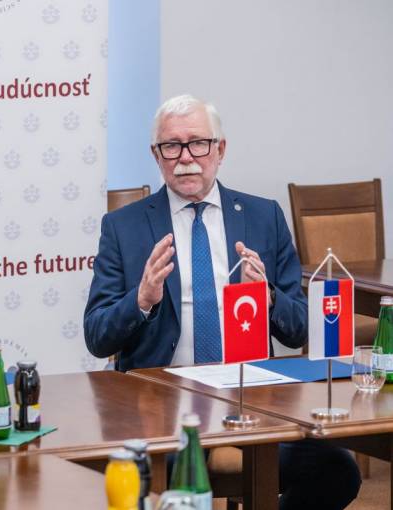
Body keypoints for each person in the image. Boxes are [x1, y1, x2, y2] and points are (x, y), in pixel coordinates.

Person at [84, 95, 360, 509]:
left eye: (198, 143)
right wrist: (140, 299)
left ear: (220, 149)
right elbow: (97, 336)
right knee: (143, 479)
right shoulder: (123, 226)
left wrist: (268, 297)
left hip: (251, 401)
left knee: (338, 471)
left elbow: (300, 328)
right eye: (171, 146)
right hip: (161, 403)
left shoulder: (263, 216)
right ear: (156, 155)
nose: (186, 158)